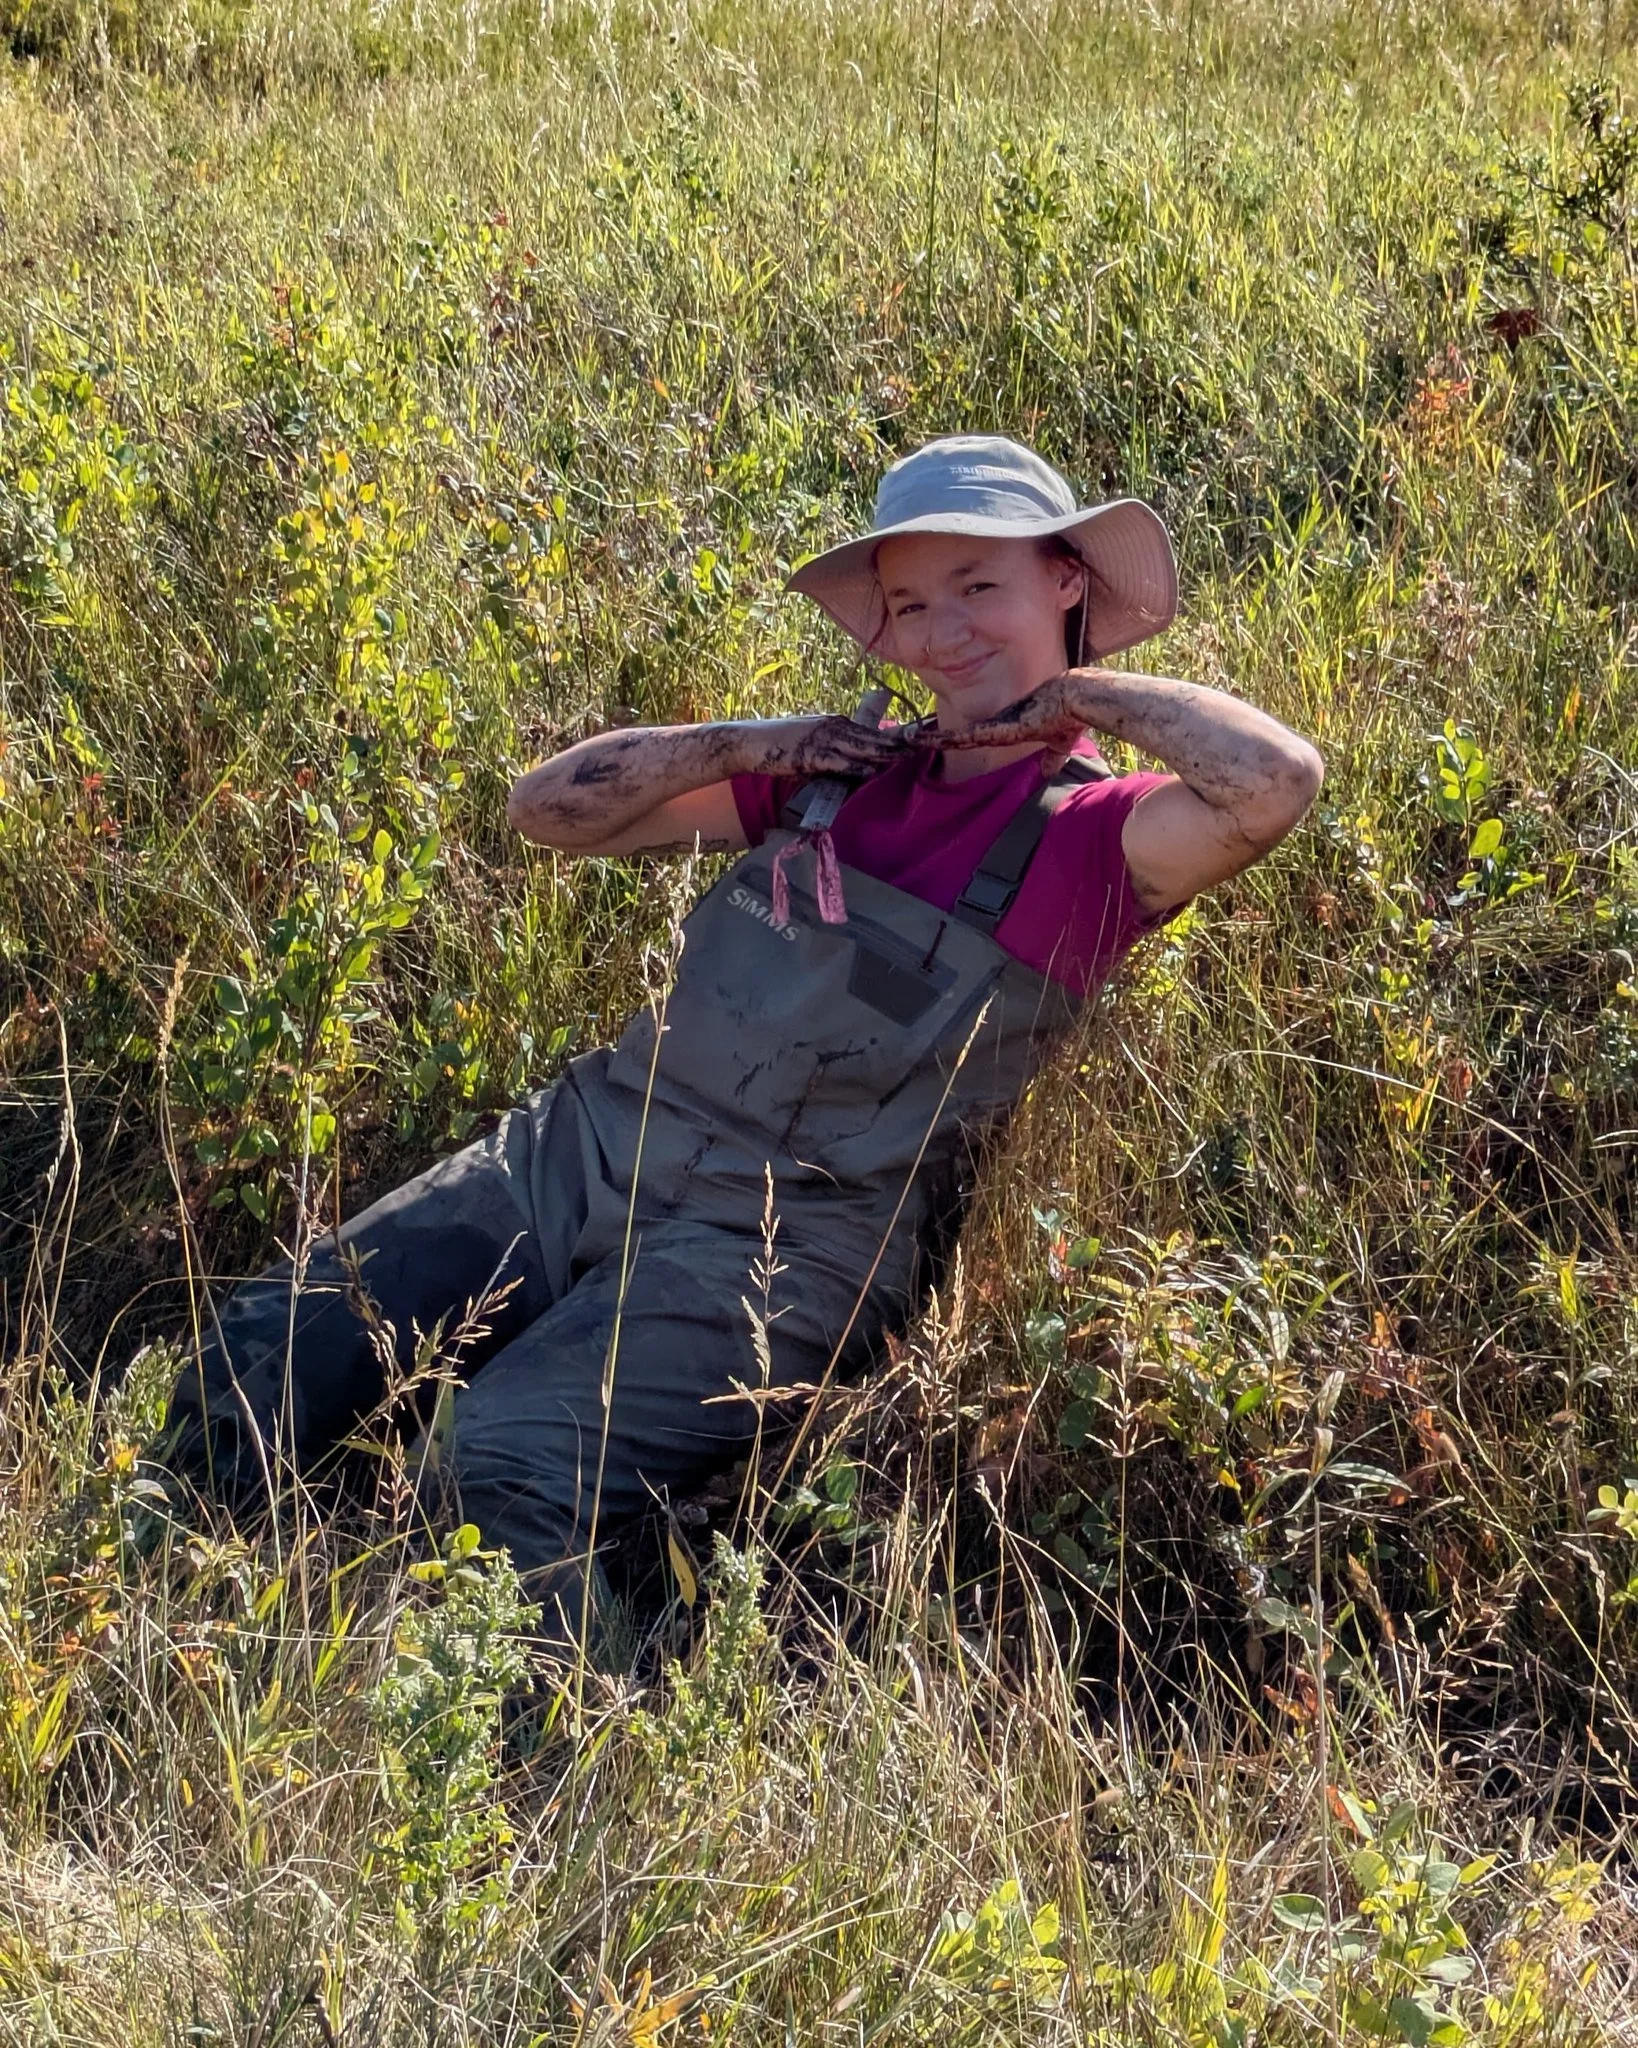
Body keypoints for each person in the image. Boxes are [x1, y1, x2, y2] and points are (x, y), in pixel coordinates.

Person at [162, 435, 1323, 1644]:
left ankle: (559, 1761)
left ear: (1067, 581)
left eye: (982, 585)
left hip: (791, 1238)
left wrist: (1081, 698)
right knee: (266, 1346)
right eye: (911, 602)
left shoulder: (1095, 837)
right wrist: (739, 744)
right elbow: (549, 812)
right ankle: (155, 1616)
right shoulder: (830, 776)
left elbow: (1277, 781)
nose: (943, 634)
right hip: (587, 1141)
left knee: (500, 1456)